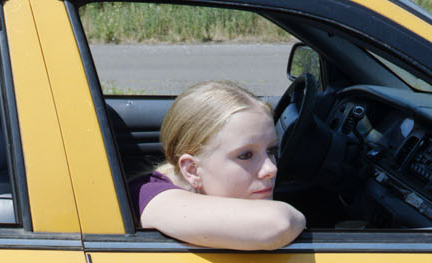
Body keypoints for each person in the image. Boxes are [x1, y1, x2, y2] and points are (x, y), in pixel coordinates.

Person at [128, 79, 305, 250]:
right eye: (246, 155)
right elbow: (278, 224)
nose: (271, 169)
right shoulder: (148, 195)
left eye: (271, 151)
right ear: (192, 170)